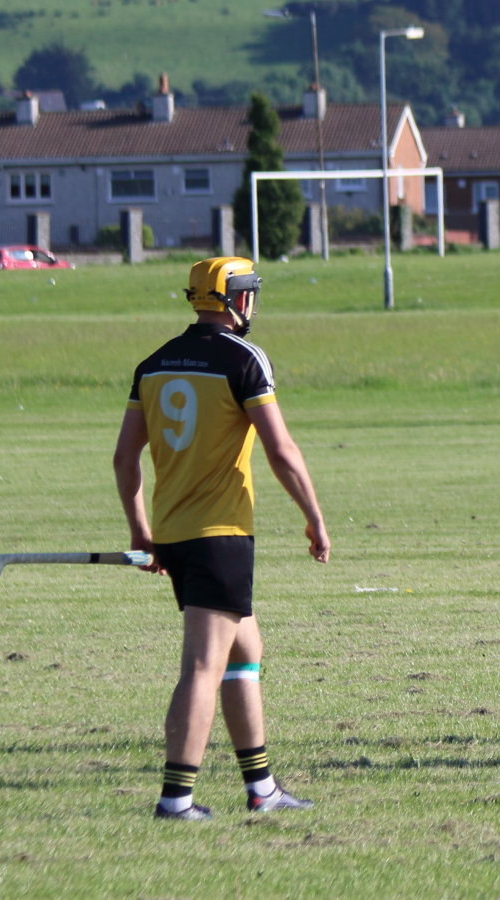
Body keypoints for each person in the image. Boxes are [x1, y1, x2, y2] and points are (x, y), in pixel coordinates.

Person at [113, 256, 331, 820]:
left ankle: (261, 789)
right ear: (235, 298)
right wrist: (313, 514)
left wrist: (143, 530)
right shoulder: (245, 359)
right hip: (221, 535)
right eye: (251, 292)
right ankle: (175, 798)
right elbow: (281, 450)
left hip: (177, 534)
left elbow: (124, 457)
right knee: (203, 666)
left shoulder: (154, 363)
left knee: (244, 651)